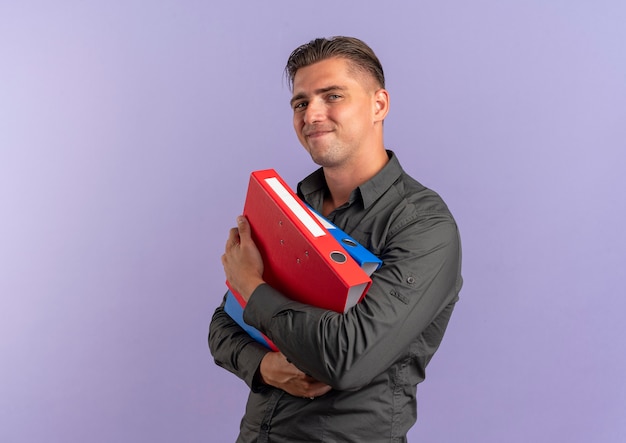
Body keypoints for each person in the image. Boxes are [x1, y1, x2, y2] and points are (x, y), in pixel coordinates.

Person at [209, 36, 463, 443]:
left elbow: (348, 356)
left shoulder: (422, 226)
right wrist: (262, 366)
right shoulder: (291, 206)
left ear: (378, 105)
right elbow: (223, 325)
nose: (312, 114)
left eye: (332, 96)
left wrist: (252, 287)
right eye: (301, 102)